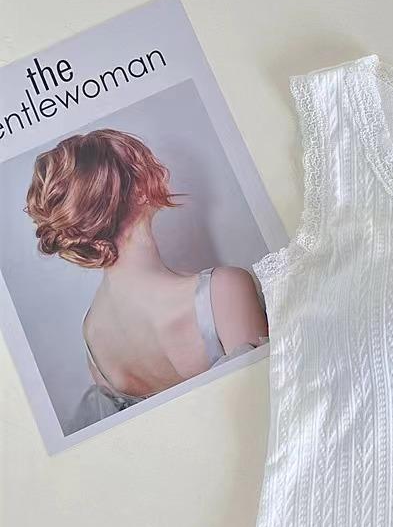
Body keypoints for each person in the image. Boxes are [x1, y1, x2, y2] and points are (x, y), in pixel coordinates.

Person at [24, 128, 267, 429]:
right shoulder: (224, 291)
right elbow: (272, 408)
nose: (160, 171)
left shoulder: (93, 336)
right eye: (144, 164)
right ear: (139, 190)